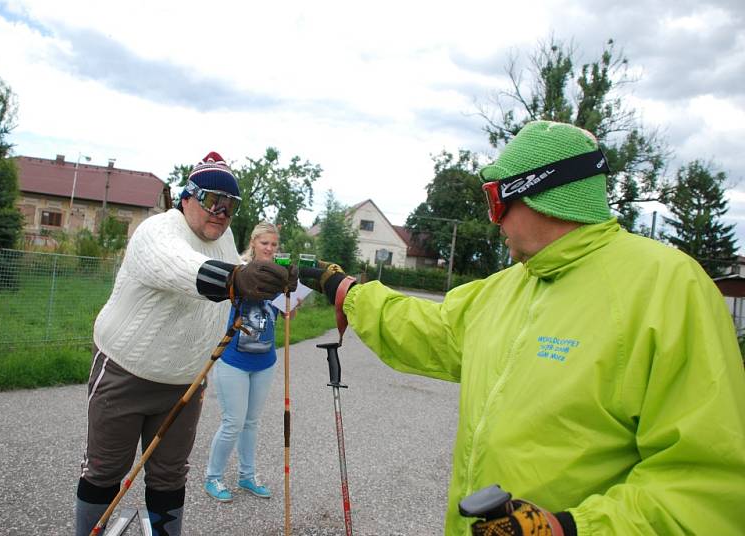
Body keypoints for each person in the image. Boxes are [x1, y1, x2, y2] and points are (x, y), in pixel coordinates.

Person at [301, 121, 745, 535]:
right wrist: (343, 289)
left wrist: (568, 528)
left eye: (497, 200)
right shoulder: (507, 287)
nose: (495, 222)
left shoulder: (668, 287)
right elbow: (430, 328)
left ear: (541, 195)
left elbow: (706, 481)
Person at [74, 152, 297, 536]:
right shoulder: (158, 231)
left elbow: (239, 280)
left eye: (231, 206)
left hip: (186, 380)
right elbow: (182, 268)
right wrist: (236, 280)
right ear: (187, 197)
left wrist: (281, 281)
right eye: (212, 200)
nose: (221, 212)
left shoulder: (224, 237)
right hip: (127, 371)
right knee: (106, 468)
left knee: (170, 475)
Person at [203, 221, 290, 502]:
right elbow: (223, 295)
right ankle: (212, 477)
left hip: (265, 360)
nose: (270, 248)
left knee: (251, 422)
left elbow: (285, 313)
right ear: (253, 243)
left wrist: (291, 299)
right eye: (265, 243)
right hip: (235, 359)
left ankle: (247, 475)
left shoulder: (280, 275)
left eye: (274, 244)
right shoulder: (239, 269)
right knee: (233, 422)